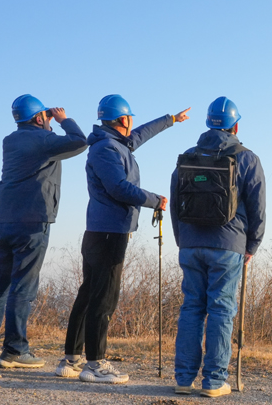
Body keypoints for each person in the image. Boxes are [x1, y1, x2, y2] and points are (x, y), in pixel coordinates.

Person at [57, 94, 190, 384]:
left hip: (101, 231)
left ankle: (71, 358)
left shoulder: (115, 143)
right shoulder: (107, 149)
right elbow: (118, 188)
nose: (133, 125)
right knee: (103, 299)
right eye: (130, 118)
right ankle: (94, 364)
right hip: (109, 233)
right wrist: (154, 200)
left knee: (89, 292)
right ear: (122, 120)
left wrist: (171, 120)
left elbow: (141, 134)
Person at [0, 94, 87, 368]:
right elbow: (81, 141)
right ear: (38, 118)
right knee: (23, 285)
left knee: (0, 281)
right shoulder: (43, 140)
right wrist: (63, 120)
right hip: (33, 220)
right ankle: (15, 350)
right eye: (45, 116)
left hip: (3, 220)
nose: (49, 120)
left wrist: (49, 121)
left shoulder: (10, 140)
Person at [170, 96, 266, 398]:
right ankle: (213, 382)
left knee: (191, 308)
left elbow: (175, 203)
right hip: (228, 245)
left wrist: (183, 240)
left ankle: (184, 379)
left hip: (191, 244)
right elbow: (258, 207)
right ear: (235, 126)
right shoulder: (246, 158)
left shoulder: (187, 157)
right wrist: (252, 245)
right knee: (222, 310)